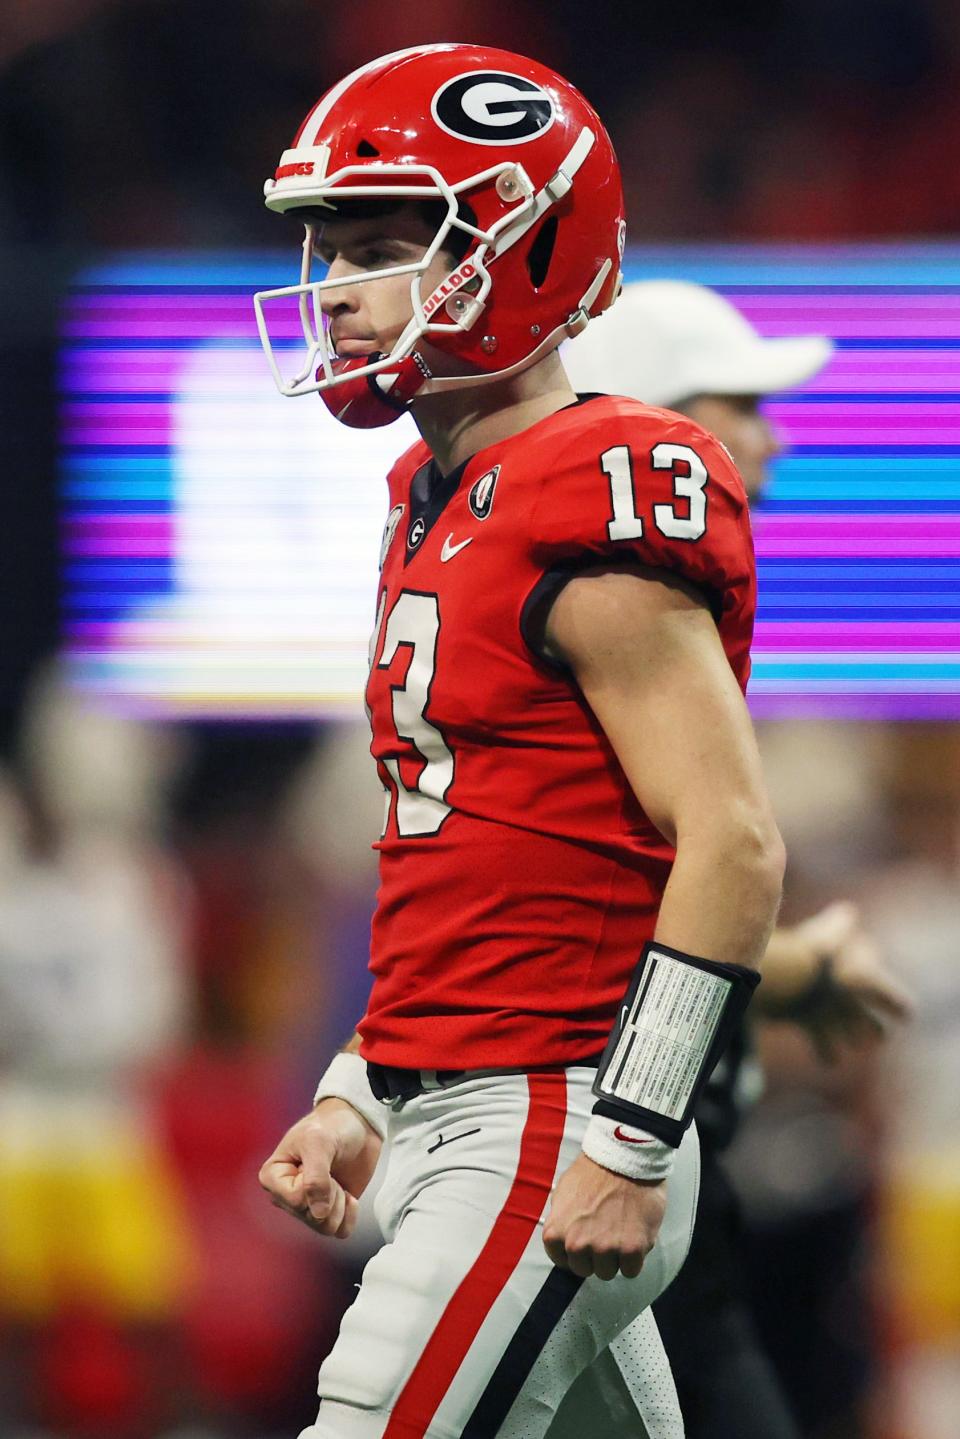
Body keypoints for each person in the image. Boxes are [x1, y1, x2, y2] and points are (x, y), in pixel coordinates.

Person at [255, 47, 785, 1439]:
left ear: (525, 246)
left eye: (383, 248)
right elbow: (476, 846)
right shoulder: (435, 485)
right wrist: (359, 1089)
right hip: (460, 1111)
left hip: (549, 1128)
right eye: (330, 252)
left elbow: (730, 838)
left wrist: (629, 1137)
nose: (338, 291)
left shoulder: (587, 480)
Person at [559, 278, 914, 1438]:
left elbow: (633, 917)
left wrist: (786, 971)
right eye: (742, 403)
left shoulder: (673, 620)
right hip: (594, 1155)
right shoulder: (614, 621)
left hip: (656, 1154)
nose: (774, 437)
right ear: (662, 425)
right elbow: (581, 926)